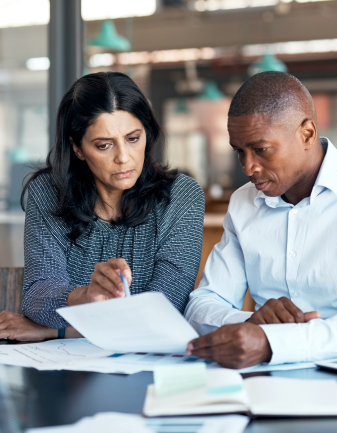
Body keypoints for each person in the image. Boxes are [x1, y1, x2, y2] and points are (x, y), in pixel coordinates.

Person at [184, 71, 337, 369]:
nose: (248, 166)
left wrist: (275, 342)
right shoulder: (244, 203)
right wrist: (250, 323)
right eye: (239, 151)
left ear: (306, 134)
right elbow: (203, 305)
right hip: (266, 381)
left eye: (261, 149)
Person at [0, 72, 204, 341]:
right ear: (78, 148)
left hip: (149, 366)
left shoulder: (182, 196)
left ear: (147, 133)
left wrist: (54, 330)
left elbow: (164, 312)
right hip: (70, 370)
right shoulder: (49, 192)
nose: (123, 158)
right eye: (104, 145)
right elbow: (38, 298)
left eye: (133, 138)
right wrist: (86, 295)